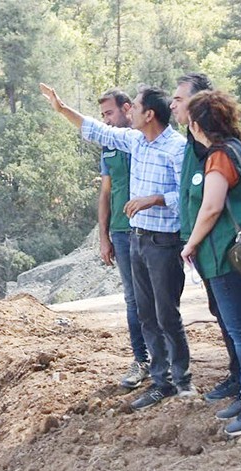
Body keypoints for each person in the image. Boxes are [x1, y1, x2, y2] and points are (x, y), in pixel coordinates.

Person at [40, 82, 194, 410]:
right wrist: (62, 108)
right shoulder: (136, 141)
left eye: (135, 107)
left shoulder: (177, 148)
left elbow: (188, 198)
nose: (129, 112)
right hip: (137, 240)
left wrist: (154, 199)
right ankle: (160, 382)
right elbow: (98, 131)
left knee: (167, 314)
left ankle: (183, 382)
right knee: (146, 314)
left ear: (149, 114)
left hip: (163, 243)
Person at [180, 90, 241, 436]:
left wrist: (190, 244)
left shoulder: (218, 157)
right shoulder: (239, 149)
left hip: (226, 254)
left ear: (196, 124)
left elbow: (211, 208)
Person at [171, 73, 241, 402]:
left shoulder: (213, 149)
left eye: (180, 99)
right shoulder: (191, 142)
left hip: (219, 246)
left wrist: (194, 241)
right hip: (203, 246)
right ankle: (238, 373)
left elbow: (212, 204)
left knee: (236, 320)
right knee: (221, 312)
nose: (173, 104)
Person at [95, 89, 151, 389]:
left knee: (157, 296)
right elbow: (105, 194)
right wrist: (104, 237)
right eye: (103, 115)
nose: (106, 120)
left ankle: (167, 360)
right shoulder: (108, 147)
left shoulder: (147, 139)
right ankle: (141, 359)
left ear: (127, 109)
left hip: (153, 228)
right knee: (133, 299)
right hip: (121, 230)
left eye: (110, 113)